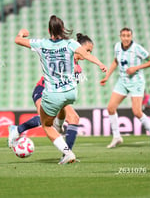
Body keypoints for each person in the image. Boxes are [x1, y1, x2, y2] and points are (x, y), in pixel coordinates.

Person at [15, 15, 106, 164]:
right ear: (63, 29)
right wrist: (100, 64)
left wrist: (21, 33)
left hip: (52, 93)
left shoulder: (42, 43)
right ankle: (59, 127)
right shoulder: (71, 43)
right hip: (70, 93)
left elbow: (17, 40)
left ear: (49, 30)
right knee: (65, 109)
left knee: (46, 124)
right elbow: (86, 54)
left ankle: (66, 151)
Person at [8, 33, 94, 152]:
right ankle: (17, 130)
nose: (88, 54)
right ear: (79, 47)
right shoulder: (65, 54)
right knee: (44, 120)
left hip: (58, 93)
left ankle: (62, 140)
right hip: (43, 90)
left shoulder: (78, 68)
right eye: (87, 50)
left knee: (72, 117)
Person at [100, 27, 150, 149]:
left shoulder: (137, 48)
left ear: (131, 37)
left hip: (136, 82)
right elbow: (116, 61)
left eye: (128, 36)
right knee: (111, 108)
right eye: (123, 36)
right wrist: (107, 76)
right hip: (122, 81)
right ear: (120, 36)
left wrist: (136, 68)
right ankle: (117, 136)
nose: (126, 38)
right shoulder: (117, 47)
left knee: (137, 111)